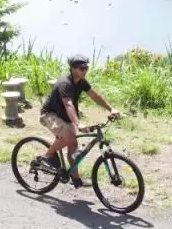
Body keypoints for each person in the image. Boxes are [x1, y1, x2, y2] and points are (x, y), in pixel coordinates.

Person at [38, 54, 119, 186]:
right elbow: (68, 104)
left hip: (65, 117)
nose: (85, 70)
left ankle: (75, 179)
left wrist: (111, 109)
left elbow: (95, 96)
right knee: (70, 139)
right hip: (49, 115)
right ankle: (48, 155)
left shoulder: (81, 81)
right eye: (82, 68)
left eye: (86, 68)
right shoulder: (65, 83)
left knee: (73, 147)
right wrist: (78, 123)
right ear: (73, 68)